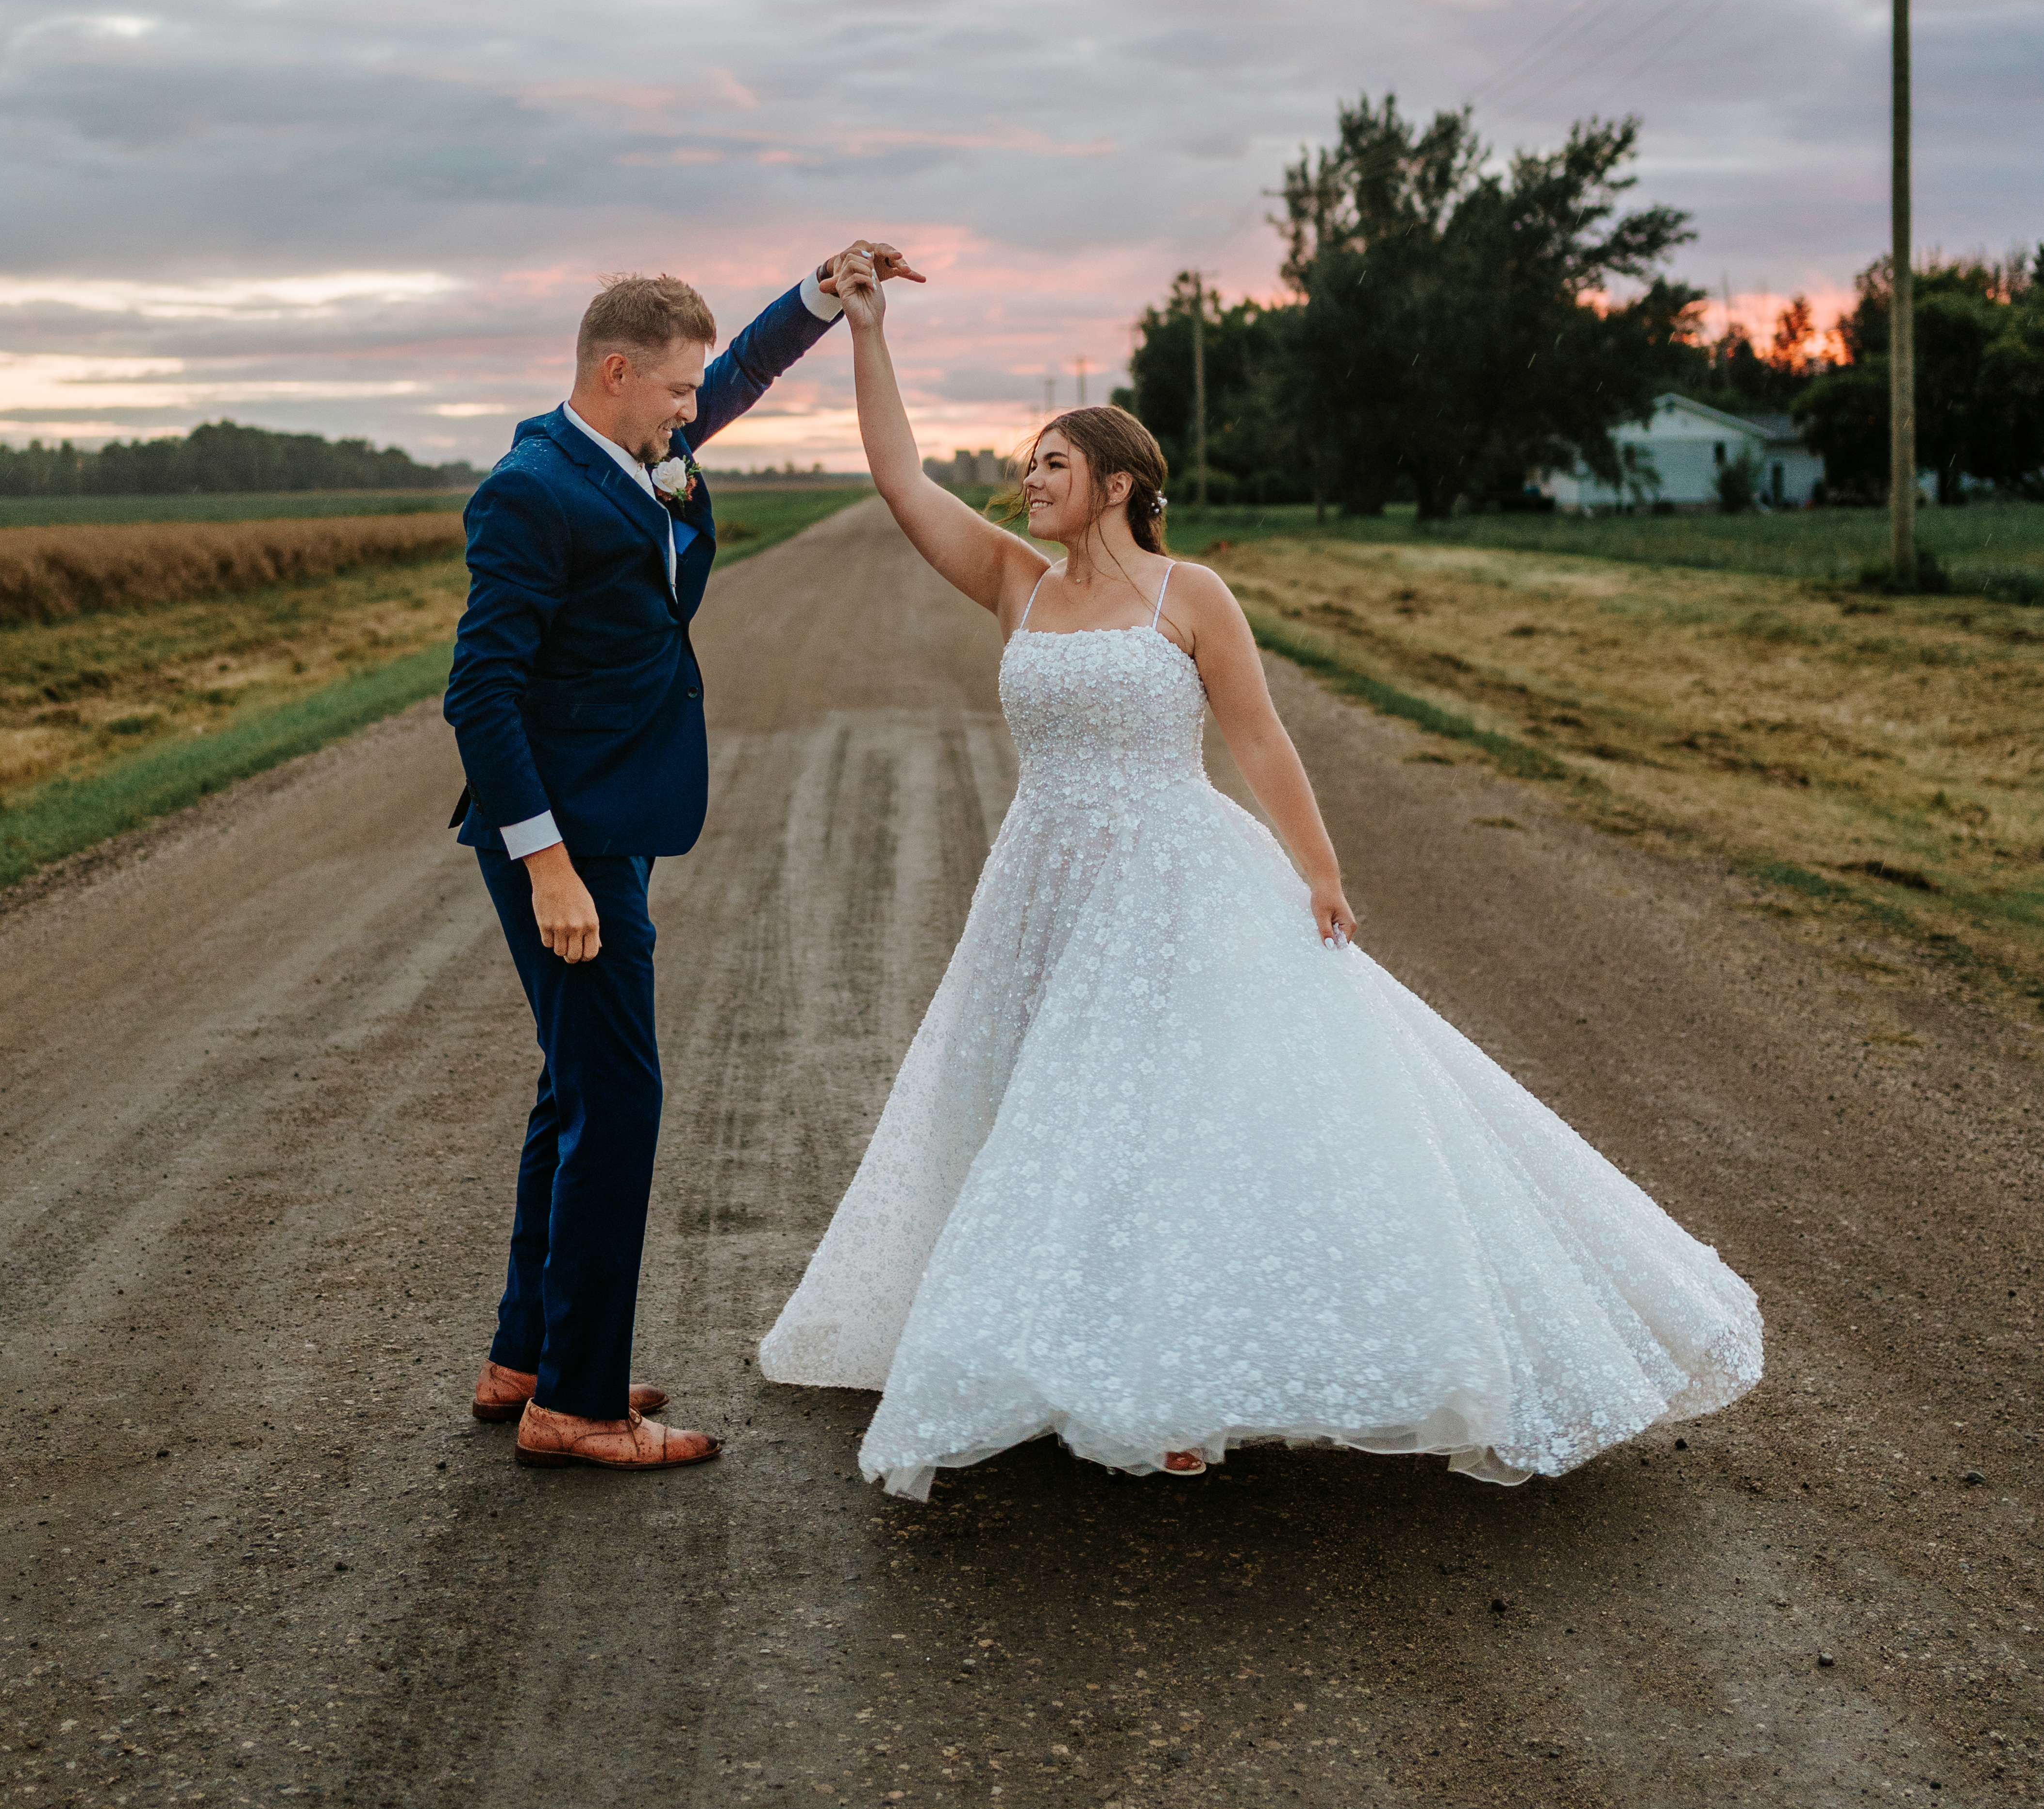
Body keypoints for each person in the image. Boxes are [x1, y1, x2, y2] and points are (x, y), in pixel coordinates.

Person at [760, 258, 1762, 1499]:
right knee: (1051, 1123)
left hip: (1177, 882)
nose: (1028, 480)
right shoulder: (1018, 583)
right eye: (1029, 466)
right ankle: (1052, 1352)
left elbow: (1260, 739)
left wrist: (1321, 872)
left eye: (1052, 465)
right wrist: (866, 332)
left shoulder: (1196, 595)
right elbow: (901, 480)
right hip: (1042, 889)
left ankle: (1176, 1384)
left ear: (1117, 483)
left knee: (1165, 1124)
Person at [447, 240, 922, 1474]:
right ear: (614, 371)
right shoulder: (534, 488)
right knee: (619, 1101)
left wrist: (823, 295)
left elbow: (744, 372)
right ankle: (582, 1404)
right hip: (569, 837)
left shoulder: (634, 455)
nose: (692, 407)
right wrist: (548, 863)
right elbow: (480, 694)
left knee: (573, 1086)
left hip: (612, 819)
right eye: (673, 388)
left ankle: (529, 1356)